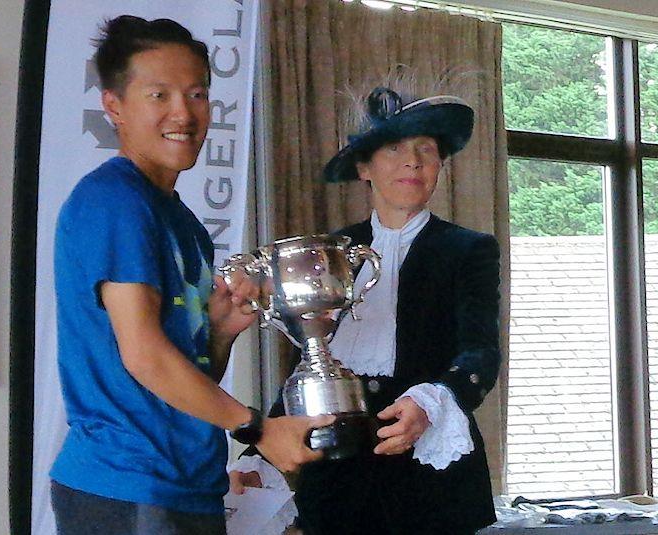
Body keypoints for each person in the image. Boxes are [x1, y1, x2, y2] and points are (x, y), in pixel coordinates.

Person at [49, 16, 332, 535]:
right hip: (128, 487)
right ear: (114, 106)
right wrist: (257, 428)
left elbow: (185, 372)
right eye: (159, 94)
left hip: (188, 485)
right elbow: (144, 355)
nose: (183, 112)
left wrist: (220, 331)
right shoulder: (114, 201)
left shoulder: (183, 224)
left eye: (197, 93)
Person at [229, 84, 502, 534]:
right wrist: (263, 458)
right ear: (364, 167)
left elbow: (480, 354)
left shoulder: (468, 249)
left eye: (426, 150)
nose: (412, 161)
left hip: (428, 481)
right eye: (394, 148)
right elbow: (313, 362)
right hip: (338, 478)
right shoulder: (330, 249)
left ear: (439, 166)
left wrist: (429, 402)